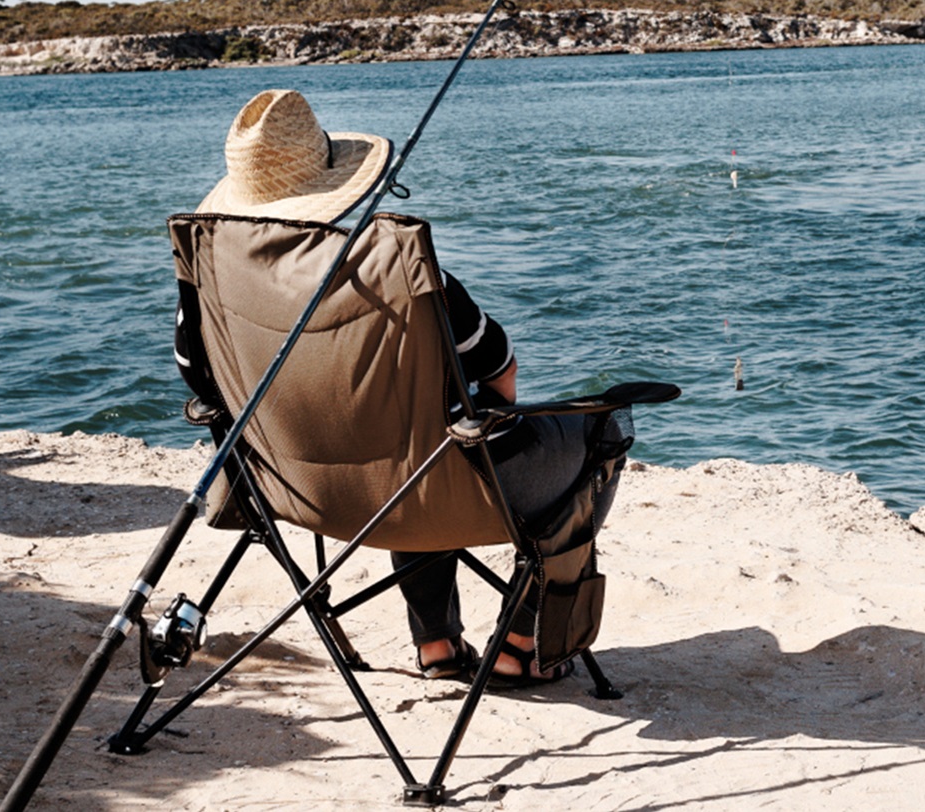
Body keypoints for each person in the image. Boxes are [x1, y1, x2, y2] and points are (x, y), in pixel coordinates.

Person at [173, 89, 621, 687]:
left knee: (417, 438)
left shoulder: (211, 279)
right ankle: (522, 644)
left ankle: (437, 644)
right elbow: (499, 369)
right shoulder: (398, 271)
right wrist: (496, 431)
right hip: (419, 490)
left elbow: (201, 383)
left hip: (296, 494)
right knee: (602, 431)